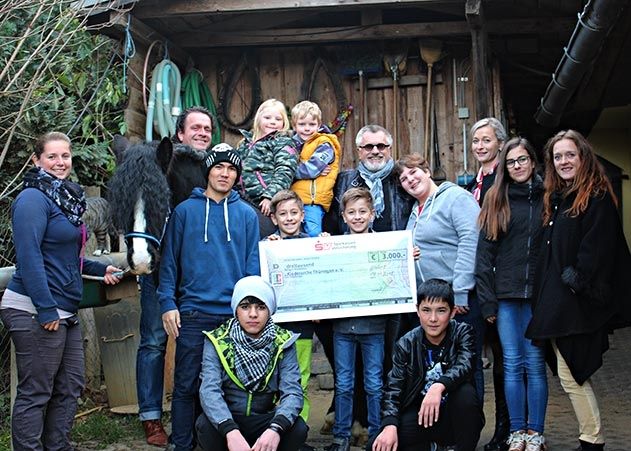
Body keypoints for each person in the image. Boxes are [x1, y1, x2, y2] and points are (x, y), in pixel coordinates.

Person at [0, 132, 123, 451]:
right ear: (37, 160)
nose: (60, 162)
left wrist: (100, 269)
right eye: (52, 156)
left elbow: (67, 256)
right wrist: (45, 309)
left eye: (65, 156)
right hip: (35, 308)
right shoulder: (31, 199)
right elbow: (29, 257)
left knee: (69, 386)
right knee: (36, 391)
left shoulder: (64, 197)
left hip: (63, 309)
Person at [526, 130, 631, 451]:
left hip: (576, 299)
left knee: (572, 372)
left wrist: (577, 281)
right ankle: (591, 438)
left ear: (583, 156)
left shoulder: (596, 195)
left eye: (569, 154)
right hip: (557, 297)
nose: (563, 161)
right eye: (557, 157)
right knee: (570, 372)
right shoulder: (558, 198)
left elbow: (597, 250)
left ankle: (593, 440)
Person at [157, 144, 261, 451]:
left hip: (233, 317)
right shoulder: (184, 212)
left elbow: (252, 268)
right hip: (192, 312)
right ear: (208, 172)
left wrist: (249, 311)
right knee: (186, 384)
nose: (225, 173)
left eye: (231, 169)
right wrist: (167, 303)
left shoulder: (246, 215)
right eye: (219, 167)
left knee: (228, 387)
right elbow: (169, 264)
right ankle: (182, 444)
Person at [137, 105, 215, 446]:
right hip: (157, 270)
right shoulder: (161, 165)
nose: (201, 133)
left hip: (194, 275)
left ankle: (202, 414)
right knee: (154, 340)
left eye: (207, 128)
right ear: (180, 134)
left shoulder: (213, 170)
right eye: (195, 127)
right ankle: (151, 417)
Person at [475, 138, 547, 451]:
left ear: (533, 162)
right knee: (513, 363)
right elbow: (483, 256)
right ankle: (517, 432)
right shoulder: (496, 198)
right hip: (505, 298)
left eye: (522, 160)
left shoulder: (548, 198)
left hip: (538, 297)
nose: (517, 166)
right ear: (505, 167)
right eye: (511, 162)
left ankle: (536, 434)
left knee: (535, 363)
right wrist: (487, 301)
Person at [395, 153, 485, 403]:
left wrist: (461, 292)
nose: (410, 180)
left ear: (426, 170)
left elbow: (470, 241)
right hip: (431, 303)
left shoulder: (456, 198)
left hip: (458, 300)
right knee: (436, 370)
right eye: (404, 178)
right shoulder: (415, 212)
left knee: (466, 366)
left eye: (413, 172)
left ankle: (470, 428)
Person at [368, 279, 484, 451]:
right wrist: (390, 425)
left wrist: (438, 386)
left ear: (452, 312)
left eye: (441, 311)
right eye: (426, 310)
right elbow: (393, 389)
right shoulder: (406, 343)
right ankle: (434, 447)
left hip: (454, 416)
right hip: (422, 415)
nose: (433, 319)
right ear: (417, 311)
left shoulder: (463, 332)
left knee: (466, 395)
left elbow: (465, 365)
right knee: (377, 446)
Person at [195, 275, 308, 451]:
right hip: (230, 420)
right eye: (245, 306)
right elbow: (209, 390)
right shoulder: (217, 340)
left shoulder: (283, 341)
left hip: (264, 421)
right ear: (236, 310)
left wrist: (275, 429)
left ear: (270, 310)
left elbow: (293, 392)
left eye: (261, 307)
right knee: (204, 426)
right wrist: (230, 430)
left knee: (298, 428)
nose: (253, 314)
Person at [325, 188, 387, 451]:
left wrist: (407, 256)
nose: (358, 217)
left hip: (374, 328)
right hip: (343, 327)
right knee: (344, 383)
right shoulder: (334, 246)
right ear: (343, 216)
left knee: (374, 383)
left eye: (363, 212)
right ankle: (341, 437)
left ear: (372, 215)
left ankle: (376, 436)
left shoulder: (386, 245)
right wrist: (320, 248)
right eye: (352, 212)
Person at [466, 116, 510, 451]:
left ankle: (506, 428)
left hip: (500, 282)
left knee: (504, 359)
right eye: (476, 141)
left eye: (486, 140)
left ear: (499, 142)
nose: (480, 146)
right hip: (479, 283)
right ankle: (479, 428)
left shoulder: (503, 180)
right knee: (485, 358)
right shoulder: (474, 183)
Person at [265, 190, 315, 424]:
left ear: (302, 215)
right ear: (274, 218)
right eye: (283, 214)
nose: (289, 218)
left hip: (303, 326)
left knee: (301, 378)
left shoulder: (313, 244)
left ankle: (299, 428)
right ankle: (274, 426)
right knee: (274, 379)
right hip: (275, 326)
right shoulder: (267, 246)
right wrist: (269, 249)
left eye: (294, 213)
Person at [236, 98, 299, 238]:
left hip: (264, 201)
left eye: (278, 119)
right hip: (241, 198)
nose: (272, 121)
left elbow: (285, 170)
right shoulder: (244, 143)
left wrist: (270, 196)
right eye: (267, 117)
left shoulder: (283, 142)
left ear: (284, 123)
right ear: (258, 119)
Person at [289, 100, 341, 237]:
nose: (307, 128)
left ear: (319, 125)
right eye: (302, 124)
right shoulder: (292, 145)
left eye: (312, 124)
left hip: (312, 202)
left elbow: (311, 169)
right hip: (293, 200)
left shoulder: (324, 143)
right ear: (294, 125)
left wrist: (289, 171)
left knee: (312, 233)